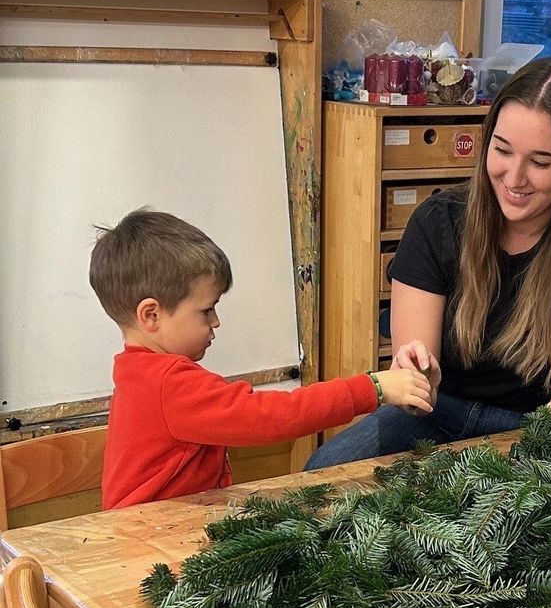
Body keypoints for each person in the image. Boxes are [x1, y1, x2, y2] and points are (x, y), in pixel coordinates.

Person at [306, 58, 551, 470]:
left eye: (541, 162)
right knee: (322, 472)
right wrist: (417, 375)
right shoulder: (439, 221)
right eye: (502, 150)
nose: (514, 177)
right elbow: (415, 385)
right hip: (438, 416)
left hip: (542, 426)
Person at [89, 209, 434, 509]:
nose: (215, 322)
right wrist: (373, 387)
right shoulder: (168, 383)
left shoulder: (138, 372)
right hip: (148, 548)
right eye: (206, 310)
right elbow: (272, 417)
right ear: (151, 315)